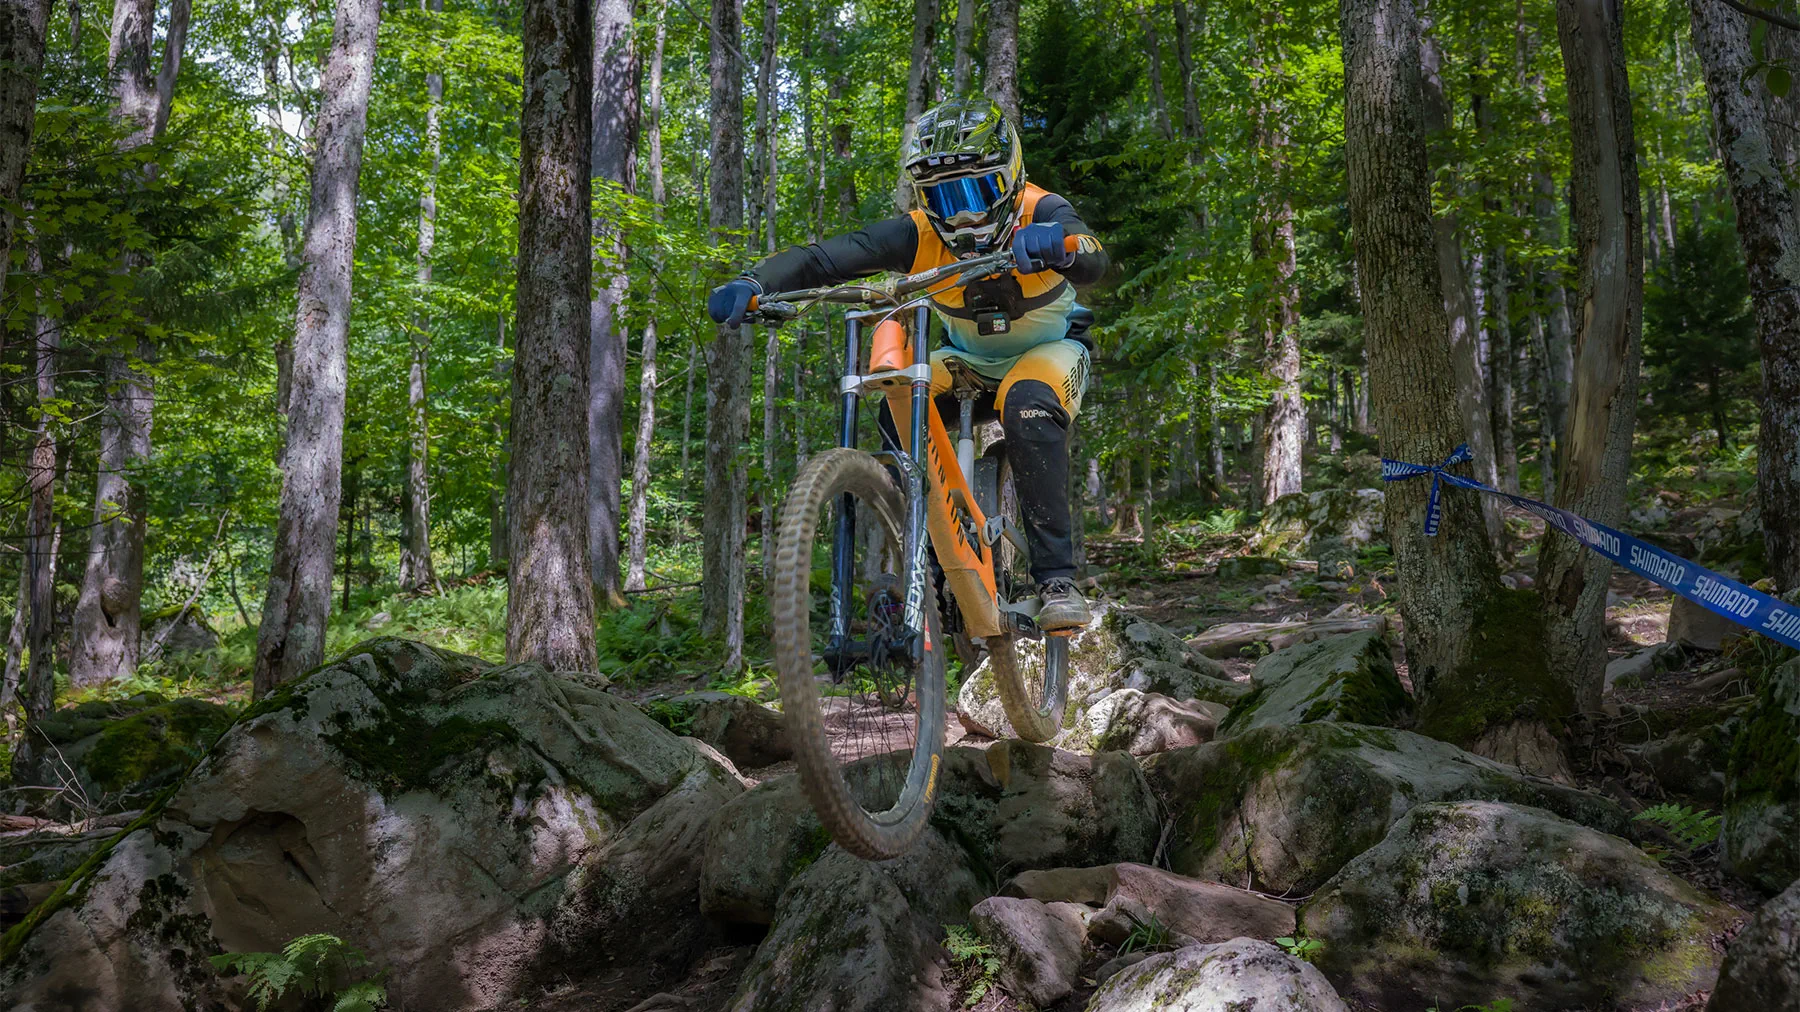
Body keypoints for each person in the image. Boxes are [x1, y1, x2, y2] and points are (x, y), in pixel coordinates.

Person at [707, 96, 1108, 631]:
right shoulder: (918, 233)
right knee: (897, 403)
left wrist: (1062, 246)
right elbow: (824, 259)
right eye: (944, 197)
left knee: (1028, 405)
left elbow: (1093, 253)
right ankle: (930, 566)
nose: (963, 214)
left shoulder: (1041, 209)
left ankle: (1057, 580)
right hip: (966, 358)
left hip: (1049, 352)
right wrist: (755, 282)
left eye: (976, 191)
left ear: (1010, 179)